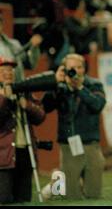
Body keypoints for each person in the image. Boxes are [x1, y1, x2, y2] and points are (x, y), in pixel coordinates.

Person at [42, 54, 107, 200]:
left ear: (84, 69)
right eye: (72, 68)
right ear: (65, 70)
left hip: (90, 141)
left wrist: (80, 88)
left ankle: (61, 177)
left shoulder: (94, 84)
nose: (76, 71)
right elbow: (46, 107)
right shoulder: (60, 87)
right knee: (72, 196)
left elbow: (97, 105)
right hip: (69, 142)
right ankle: (55, 185)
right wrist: (54, 84)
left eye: (79, 67)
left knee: (93, 194)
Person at [0, 56, 46, 204]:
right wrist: (5, 99)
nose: (8, 73)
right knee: (5, 198)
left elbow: (40, 117)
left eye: (10, 70)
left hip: (24, 150)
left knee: (24, 198)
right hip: (3, 153)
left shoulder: (23, 91)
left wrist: (28, 106)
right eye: (3, 70)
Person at [0, 14, 42, 82]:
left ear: (1, 25)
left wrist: (34, 47)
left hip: (18, 88)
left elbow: (31, 65)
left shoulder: (14, 44)